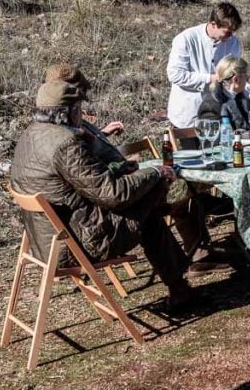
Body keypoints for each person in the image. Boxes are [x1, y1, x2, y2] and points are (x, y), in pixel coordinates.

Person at [10, 80, 196, 312]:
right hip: (79, 243)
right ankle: (181, 281)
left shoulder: (30, 135)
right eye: (79, 109)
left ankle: (181, 281)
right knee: (150, 201)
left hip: (44, 242)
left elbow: (85, 180)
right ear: (71, 112)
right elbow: (113, 195)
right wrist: (155, 172)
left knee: (148, 205)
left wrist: (120, 169)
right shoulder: (65, 144)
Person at [43, 64, 231, 277]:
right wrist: (133, 170)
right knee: (176, 194)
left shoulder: (62, 126)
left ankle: (193, 257)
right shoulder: (67, 137)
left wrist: (103, 136)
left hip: (102, 193)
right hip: (100, 207)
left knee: (173, 188)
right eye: (75, 93)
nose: (79, 97)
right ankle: (196, 256)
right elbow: (100, 183)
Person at [167, 2, 243, 128]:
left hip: (218, 114)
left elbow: (233, 75)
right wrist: (210, 78)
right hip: (188, 114)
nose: (231, 37)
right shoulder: (186, 39)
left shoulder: (233, 43)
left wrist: (249, 91)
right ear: (213, 24)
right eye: (227, 32)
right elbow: (175, 74)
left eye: (233, 33)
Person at [197, 55, 250, 131]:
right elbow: (210, 139)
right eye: (247, 77)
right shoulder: (211, 106)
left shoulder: (241, 99)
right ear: (236, 80)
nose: (247, 81)